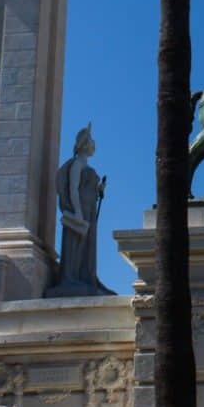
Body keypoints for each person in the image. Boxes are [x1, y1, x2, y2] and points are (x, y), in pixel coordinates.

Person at [48, 125, 114, 296]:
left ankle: (87, 277)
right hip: (81, 210)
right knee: (76, 244)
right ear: (84, 144)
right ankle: (72, 277)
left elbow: (87, 187)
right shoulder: (77, 164)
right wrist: (77, 211)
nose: (94, 144)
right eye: (91, 140)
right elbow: (73, 189)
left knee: (88, 246)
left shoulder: (84, 164)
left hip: (89, 209)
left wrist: (99, 189)